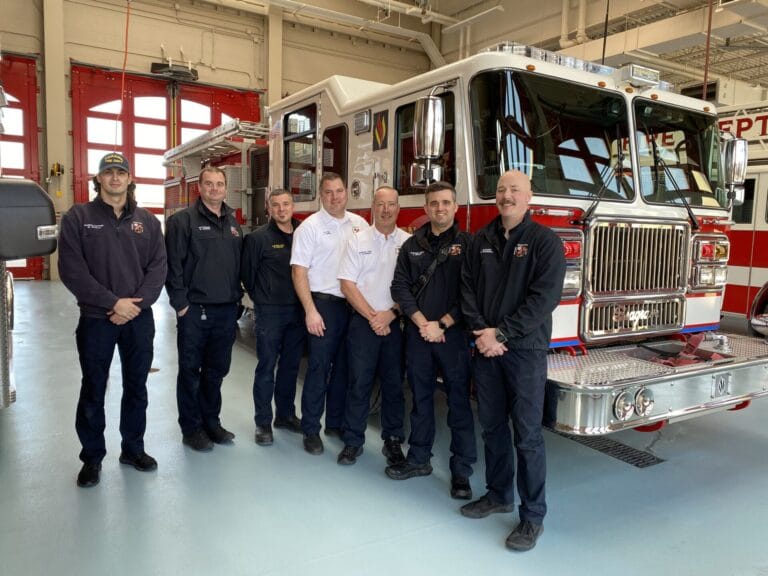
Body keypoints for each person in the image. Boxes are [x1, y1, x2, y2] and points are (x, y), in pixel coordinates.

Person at [460, 170, 566, 552]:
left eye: (515, 190)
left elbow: (544, 299)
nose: (507, 196)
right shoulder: (481, 240)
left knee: (527, 435)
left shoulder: (545, 242)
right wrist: (481, 331)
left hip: (524, 352)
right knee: (491, 426)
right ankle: (499, 494)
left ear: (529, 197)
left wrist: (500, 334)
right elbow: (466, 290)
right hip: (486, 349)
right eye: (502, 189)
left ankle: (532, 516)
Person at [58, 152, 167, 488]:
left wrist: (135, 305)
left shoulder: (148, 222)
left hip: (138, 319)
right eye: (109, 173)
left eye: (121, 173)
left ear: (130, 179)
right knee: (93, 387)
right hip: (96, 318)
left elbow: (158, 267)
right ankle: (92, 457)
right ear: (99, 179)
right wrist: (112, 303)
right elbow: (72, 270)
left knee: (137, 386)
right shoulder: (79, 217)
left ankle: (132, 449)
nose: (115, 178)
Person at [388, 181, 476, 500]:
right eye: (434, 203)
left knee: (459, 404)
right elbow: (400, 288)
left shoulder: (469, 245)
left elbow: (473, 294)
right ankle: (419, 459)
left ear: (455, 207)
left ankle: (462, 473)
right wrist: (422, 322)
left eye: (446, 203)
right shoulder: (413, 244)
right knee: (421, 399)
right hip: (419, 334)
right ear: (425, 208)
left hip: (452, 337)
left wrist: (443, 323)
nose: (439, 208)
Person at [165, 166, 243, 452]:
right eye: (208, 184)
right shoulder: (182, 221)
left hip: (225, 311)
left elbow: (238, 267)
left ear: (226, 188)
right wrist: (181, 305)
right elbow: (172, 266)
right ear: (199, 187)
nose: (214, 189)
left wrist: (238, 300)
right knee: (190, 370)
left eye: (219, 184)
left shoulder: (234, 224)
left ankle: (212, 422)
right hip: (195, 311)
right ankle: (191, 427)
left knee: (216, 370)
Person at [290, 172, 367, 455]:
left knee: (346, 368)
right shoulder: (309, 228)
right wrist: (310, 311)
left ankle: (335, 423)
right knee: (319, 369)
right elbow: (299, 271)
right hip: (324, 305)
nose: (335, 197)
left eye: (339, 190)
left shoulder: (360, 225)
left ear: (347, 192)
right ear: (321, 195)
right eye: (328, 192)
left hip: (354, 306)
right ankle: (311, 428)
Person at [336, 186, 409, 466]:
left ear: (398, 208)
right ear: (373, 207)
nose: (386, 209)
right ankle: (353, 441)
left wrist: (390, 314)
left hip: (394, 325)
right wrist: (372, 316)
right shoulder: (357, 240)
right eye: (381, 204)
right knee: (359, 383)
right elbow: (346, 283)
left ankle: (392, 443)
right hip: (363, 324)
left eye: (391, 204)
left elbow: (413, 289)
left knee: (393, 385)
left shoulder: (408, 243)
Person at [241, 189, 305, 446]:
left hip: (299, 310)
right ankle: (263, 422)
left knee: (291, 367)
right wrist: (263, 299)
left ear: (293, 206)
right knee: (266, 366)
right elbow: (247, 274)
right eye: (276, 205)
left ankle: (286, 415)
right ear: (269, 209)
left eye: (286, 204)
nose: (281, 209)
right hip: (270, 311)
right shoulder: (258, 239)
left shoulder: (304, 233)